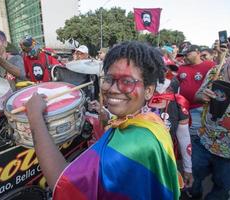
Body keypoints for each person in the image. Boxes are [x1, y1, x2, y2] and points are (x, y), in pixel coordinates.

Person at [26, 41, 181, 199]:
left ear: (148, 91)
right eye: (108, 79)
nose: (112, 89)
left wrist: (35, 117)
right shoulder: (151, 121)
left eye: (127, 81)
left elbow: (63, 182)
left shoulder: (133, 146)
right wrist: (107, 119)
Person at [187, 30, 230, 200]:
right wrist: (204, 96)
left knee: (222, 190)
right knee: (192, 180)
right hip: (204, 141)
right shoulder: (216, 71)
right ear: (229, 47)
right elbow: (197, 96)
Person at [148, 58, 193, 188]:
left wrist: (188, 168)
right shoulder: (137, 99)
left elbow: (184, 137)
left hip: (166, 160)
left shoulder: (179, 103)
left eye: (166, 72)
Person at [177, 45, 215, 138]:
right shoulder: (181, 68)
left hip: (199, 108)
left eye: (188, 54)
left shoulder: (210, 65)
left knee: (194, 135)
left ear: (198, 53)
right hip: (183, 108)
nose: (185, 57)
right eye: (184, 55)